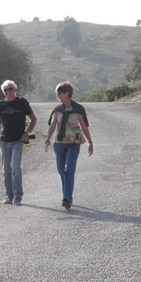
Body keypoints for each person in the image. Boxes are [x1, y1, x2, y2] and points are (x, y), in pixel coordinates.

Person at [44, 81, 93, 210]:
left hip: (73, 144)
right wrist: (47, 139)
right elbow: (53, 126)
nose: (57, 95)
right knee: (61, 172)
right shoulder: (57, 110)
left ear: (67, 93)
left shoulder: (78, 109)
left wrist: (90, 142)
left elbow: (84, 127)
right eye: (57, 93)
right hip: (59, 144)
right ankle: (67, 195)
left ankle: (67, 198)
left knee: (68, 171)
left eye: (59, 92)